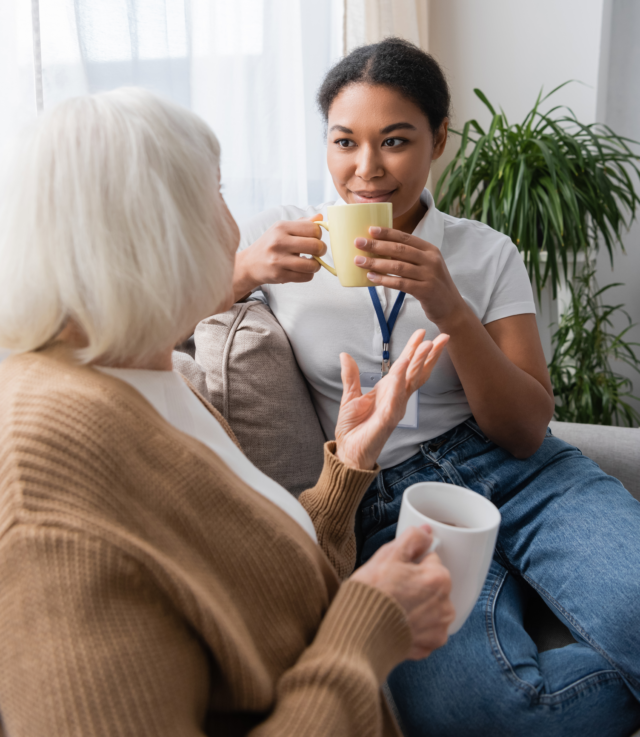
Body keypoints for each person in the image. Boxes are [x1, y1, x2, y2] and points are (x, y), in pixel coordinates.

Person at [0, 88, 455, 737]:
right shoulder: (47, 481)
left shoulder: (146, 372)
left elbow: (261, 590)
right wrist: (366, 631)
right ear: (147, 233)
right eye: (217, 193)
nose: (237, 227)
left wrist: (345, 471)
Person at [234, 38, 640, 737]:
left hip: (517, 471)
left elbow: (524, 428)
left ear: (439, 138)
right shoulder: (284, 238)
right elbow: (156, 317)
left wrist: (451, 305)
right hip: (390, 503)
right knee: (477, 717)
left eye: (394, 141)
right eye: (344, 142)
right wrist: (241, 272)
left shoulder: (485, 251)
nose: (365, 169)